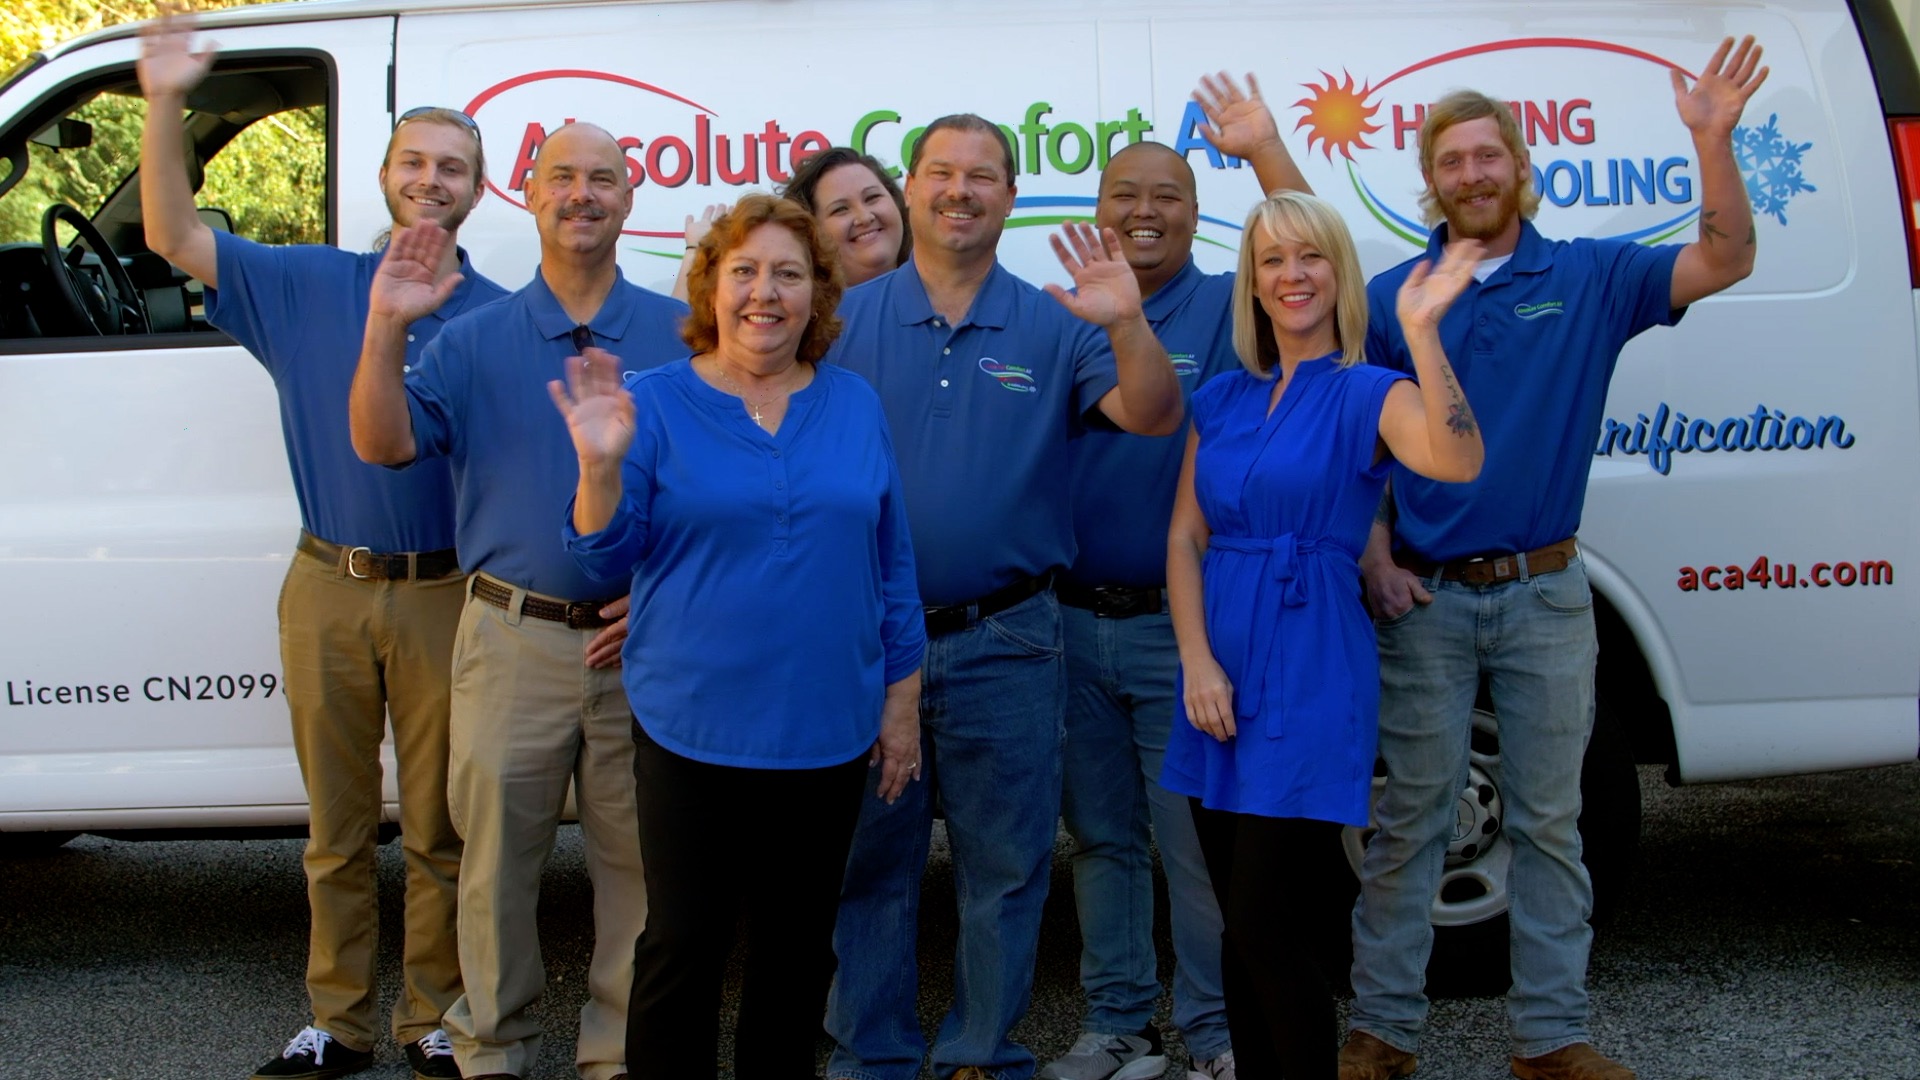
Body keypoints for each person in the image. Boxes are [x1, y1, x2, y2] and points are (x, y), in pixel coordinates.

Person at [1341, 38, 1767, 1080]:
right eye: (1452, 160)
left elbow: (1725, 258)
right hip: (1426, 603)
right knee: (1409, 825)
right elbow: (1350, 452)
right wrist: (1374, 552)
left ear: (1519, 168)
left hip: (1545, 592)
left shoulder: (1587, 275)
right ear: (1429, 177)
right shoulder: (1398, 297)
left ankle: (1551, 1037)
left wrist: (1712, 141)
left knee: (1547, 822)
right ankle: (1384, 1031)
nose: (1473, 175)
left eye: (1489, 157)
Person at [137, 10, 504, 1079]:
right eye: (416, 161)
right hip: (325, 586)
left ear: (478, 191)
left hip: (445, 592)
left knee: (439, 830)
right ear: (387, 175)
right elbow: (172, 234)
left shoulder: (492, 316)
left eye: (454, 168)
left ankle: (432, 1018)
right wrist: (165, 97)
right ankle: (337, 1023)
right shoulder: (303, 285)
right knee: (337, 829)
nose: (432, 180)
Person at [824, 113, 1184, 1080]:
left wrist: (1125, 321)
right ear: (910, 187)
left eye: (982, 176)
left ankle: (981, 1052)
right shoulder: (843, 320)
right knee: (870, 867)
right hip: (873, 641)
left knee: (1008, 867)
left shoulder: (1054, 320)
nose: (958, 190)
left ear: (1010, 198)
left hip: (1011, 639)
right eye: (940, 171)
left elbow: (1152, 414)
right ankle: (873, 1056)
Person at [550, 192, 927, 1080]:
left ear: (817, 296)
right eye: (745, 271)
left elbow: (892, 561)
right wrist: (599, 467)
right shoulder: (653, 402)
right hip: (693, 723)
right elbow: (601, 557)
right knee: (684, 943)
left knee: (797, 952)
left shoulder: (854, 402)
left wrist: (901, 700)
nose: (766, 292)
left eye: (789, 274)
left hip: (827, 727)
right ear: (710, 287)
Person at [349, 122, 689, 1080]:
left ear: (629, 200)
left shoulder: (677, 335)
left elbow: (720, 490)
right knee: (495, 868)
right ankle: (492, 1050)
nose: (582, 194)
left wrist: (663, 595)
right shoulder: (467, 340)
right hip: (511, 636)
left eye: (604, 180)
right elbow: (381, 444)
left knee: (639, 871)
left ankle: (616, 1054)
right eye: (562, 178)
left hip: (643, 649)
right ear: (528, 196)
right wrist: (385, 325)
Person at [1161, 189, 1481, 1078]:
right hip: (1215, 666)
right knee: (1236, 922)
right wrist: (1195, 662)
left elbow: (1456, 460)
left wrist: (1420, 330)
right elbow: (1186, 537)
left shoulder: (1368, 390)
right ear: (1253, 284)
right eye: (1273, 259)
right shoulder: (1222, 398)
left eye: (1311, 257)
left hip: (1309, 666)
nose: (1292, 275)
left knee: (1268, 917)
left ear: (1337, 273)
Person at [1044, 73, 1309, 1080]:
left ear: (1200, 215)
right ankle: (1119, 1023)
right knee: (1101, 840)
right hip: (1069, 626)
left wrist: (1267, 151)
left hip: (1183, 631)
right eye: (1125, 194)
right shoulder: (1062, 315)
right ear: (1097, 209)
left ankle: (1215, 1032)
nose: (1145, 212)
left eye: (1169, 196)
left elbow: (1319, 272)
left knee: (1195, 847)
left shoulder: (1241, 308)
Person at [670, 146, 909, 303]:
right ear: (812, 233)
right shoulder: (797, 321)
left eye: (872, 198)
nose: (864, 216)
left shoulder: (942, 295)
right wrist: (696, 253)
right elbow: (672, 344)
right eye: (840, 209)